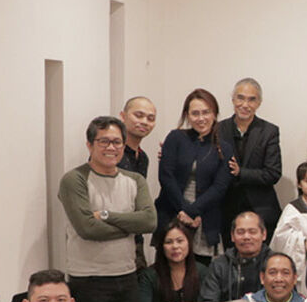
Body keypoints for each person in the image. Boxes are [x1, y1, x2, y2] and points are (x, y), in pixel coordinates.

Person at [58, 116, 157, 302]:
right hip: (88, 281)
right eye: (104, 141)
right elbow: (87, 229)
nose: (111, 147)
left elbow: (149, 221)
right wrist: (129, 224)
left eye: (117, 142)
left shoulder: (134, 180)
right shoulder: (75, 180)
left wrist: (104, 214)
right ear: (90, 144)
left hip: (127, 279)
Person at [156, 88, 235, 263]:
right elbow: (166, 176)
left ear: (214, 113)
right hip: (172, 212)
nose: (201, 118)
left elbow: (220, 187)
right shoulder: (175, 138)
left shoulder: (224, 147)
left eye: (206, 112)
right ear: (187, 115)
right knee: (168, 270)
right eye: (195, 113)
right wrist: (183, 210)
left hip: (205, 218)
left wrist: (192, 211)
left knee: (202, 273)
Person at [217, 77, 282, 243]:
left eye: (251, 99)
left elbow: (273, 173)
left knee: (262, 264)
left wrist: (241, 172)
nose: (245, 105)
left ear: (259, 103)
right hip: (226, 209)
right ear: (232, 99)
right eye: (240, 98)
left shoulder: (269, 131)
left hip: (262, 209)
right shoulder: (217, 129)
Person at [139, 220, 209, 302]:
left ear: (189, 244)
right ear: (161, 247)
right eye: (169, 242)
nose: (175, 246)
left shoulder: (202, 271)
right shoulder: (149, 275)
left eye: (180, 241)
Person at [118, 96, 158, 269]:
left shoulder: (143, 157)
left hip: (136, 237)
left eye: (150, 118)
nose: (144, 122)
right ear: (123, 116)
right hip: (113, 237)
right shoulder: (112, 153)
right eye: (138, 115)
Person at [201, 211, 272, 302]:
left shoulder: (276, 263)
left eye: (252, 232)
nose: (246, 237)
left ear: (264, 235)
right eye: (241, 232)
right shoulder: (219, 265)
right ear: (232, 236)